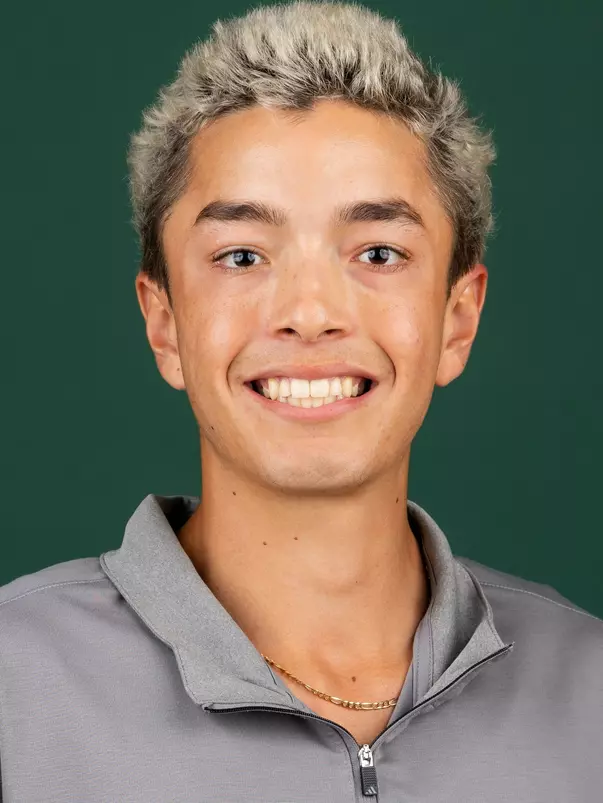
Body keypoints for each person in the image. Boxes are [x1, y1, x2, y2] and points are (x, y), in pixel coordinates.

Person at [1, 1, 602, 801]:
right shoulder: (15, 682)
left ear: (457, 320)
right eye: (243, 254)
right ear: (165, 322)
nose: (311, 311)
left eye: (379, 252)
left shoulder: (588, 690)